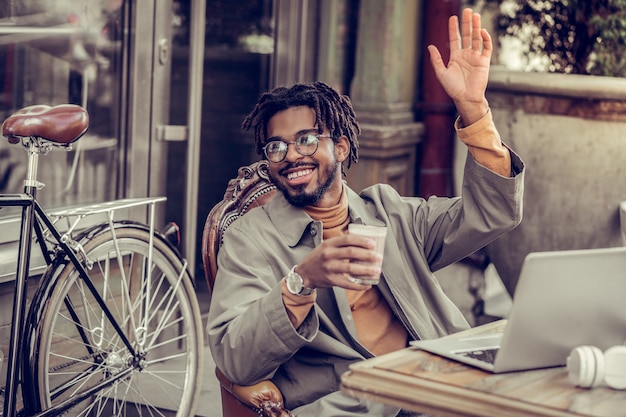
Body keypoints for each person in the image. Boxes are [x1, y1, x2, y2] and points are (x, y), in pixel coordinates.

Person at [207, 7, 525, 417]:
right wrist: (301, 282)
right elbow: (234, 360)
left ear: (339, 147)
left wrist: (473, 109)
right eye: (276, 146)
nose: (290, 156)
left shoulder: (390, 213)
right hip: (350, 404)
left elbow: (492, 213)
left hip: (437, 386)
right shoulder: (251, 239)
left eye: (306, 139)